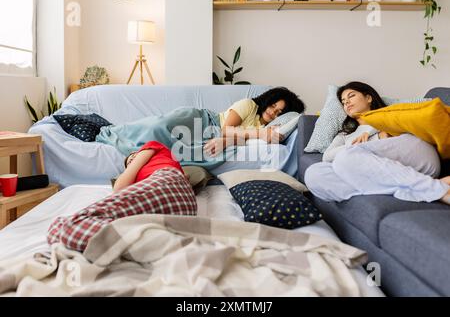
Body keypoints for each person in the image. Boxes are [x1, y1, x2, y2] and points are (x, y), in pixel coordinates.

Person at [304, 81, 450, 205]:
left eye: (351, 96)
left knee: (344, 158)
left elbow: (413, 126)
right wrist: (356, 147)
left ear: (368, 98)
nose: (346, 102)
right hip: (379, 171)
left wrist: (378, 131)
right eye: (343, 101)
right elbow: (327, 156)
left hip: (418, 155)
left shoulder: (388, 115)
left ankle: (436, 189)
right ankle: (410, 189)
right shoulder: (345, 135)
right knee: (314, 174)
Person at [96, 87, 306, 169]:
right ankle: (114, 131)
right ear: (268, 101)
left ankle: (142, 153)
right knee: (158, 126)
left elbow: (233, 138)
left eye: (279, 113)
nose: (273, 113)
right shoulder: (249, 105)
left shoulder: (267, 126)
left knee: (175, 149)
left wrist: (236, 139)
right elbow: (226, 130)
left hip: (207, 137)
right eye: (273, 106)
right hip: (203, 121)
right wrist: (260, 134)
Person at [48, 141, 197, 252]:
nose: (131, 161)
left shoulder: (153, 146)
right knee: (61, 230)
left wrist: (132, 163)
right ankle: (153, 243)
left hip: (167, 183)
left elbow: (119, 188)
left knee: (65, 226)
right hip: (184, 206)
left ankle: (149, 244)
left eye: (132, 156)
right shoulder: (164, 170)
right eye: (127, 162)